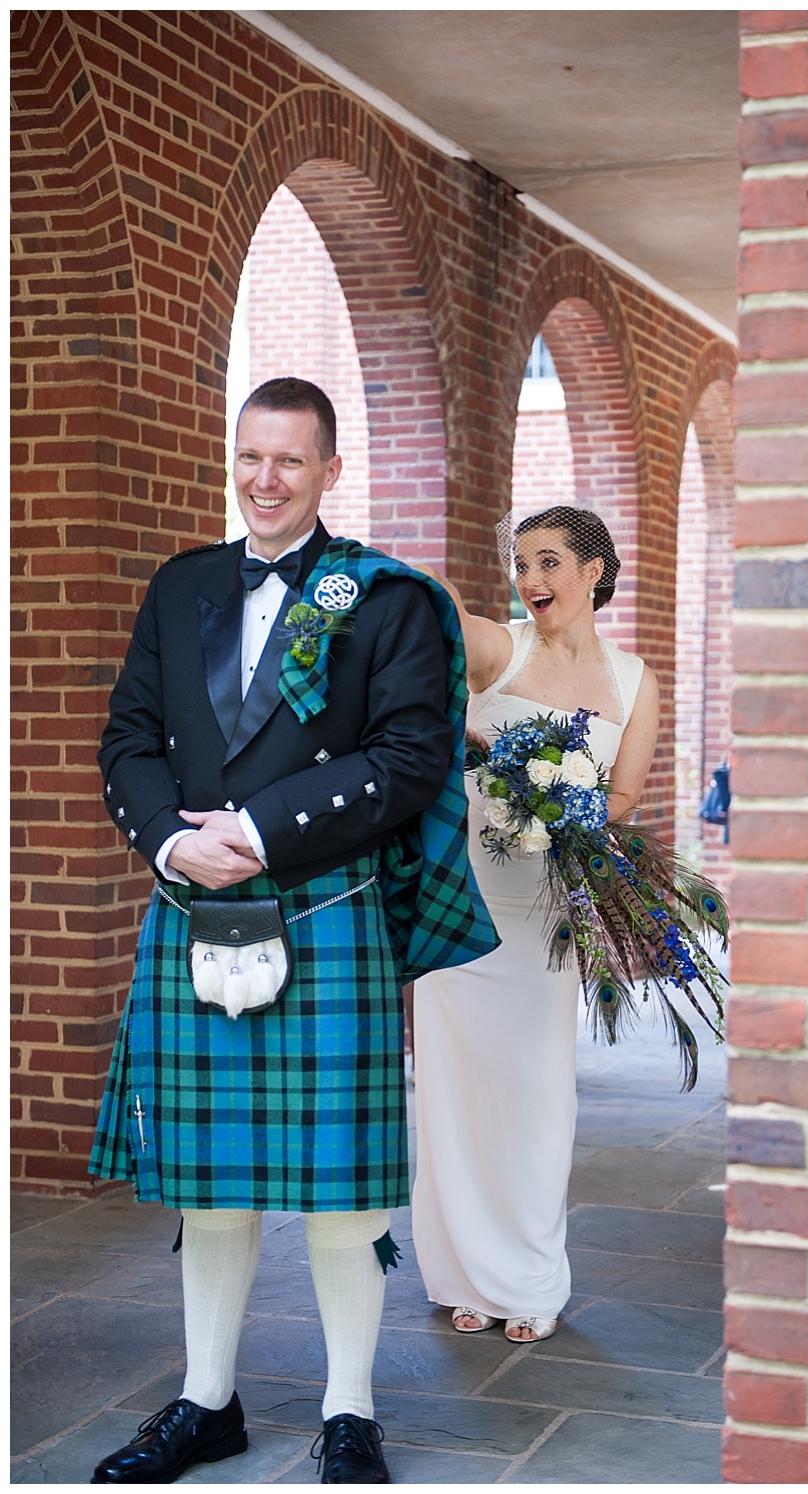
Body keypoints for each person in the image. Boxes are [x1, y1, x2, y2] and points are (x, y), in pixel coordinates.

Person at [86, 377, 496, 1484]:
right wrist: (174, 841)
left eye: (290, 460)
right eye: (250, 456)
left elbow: (412, 759)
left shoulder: (387, 599)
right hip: (190, 905)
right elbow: (127, 737)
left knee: (342, 1188)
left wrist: (262, 830)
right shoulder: (181, 589)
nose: (265, 480)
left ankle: (350, 1411)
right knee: (208, 1185)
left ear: (330, 469)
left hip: (324, 914)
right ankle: (205, 1402)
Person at [410, 507, 660, 1343]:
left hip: (548, 915)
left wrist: (571, 817)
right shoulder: (501, 650)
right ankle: (461, 1275)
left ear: (593, 571)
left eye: (548, 562)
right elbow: (445, 610)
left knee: (537, 1094)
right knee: (454, 1091)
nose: (530, 580)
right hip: (466, 909)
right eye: (519, 564)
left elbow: (623, 797)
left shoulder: (633, 681)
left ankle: (529, 1280)